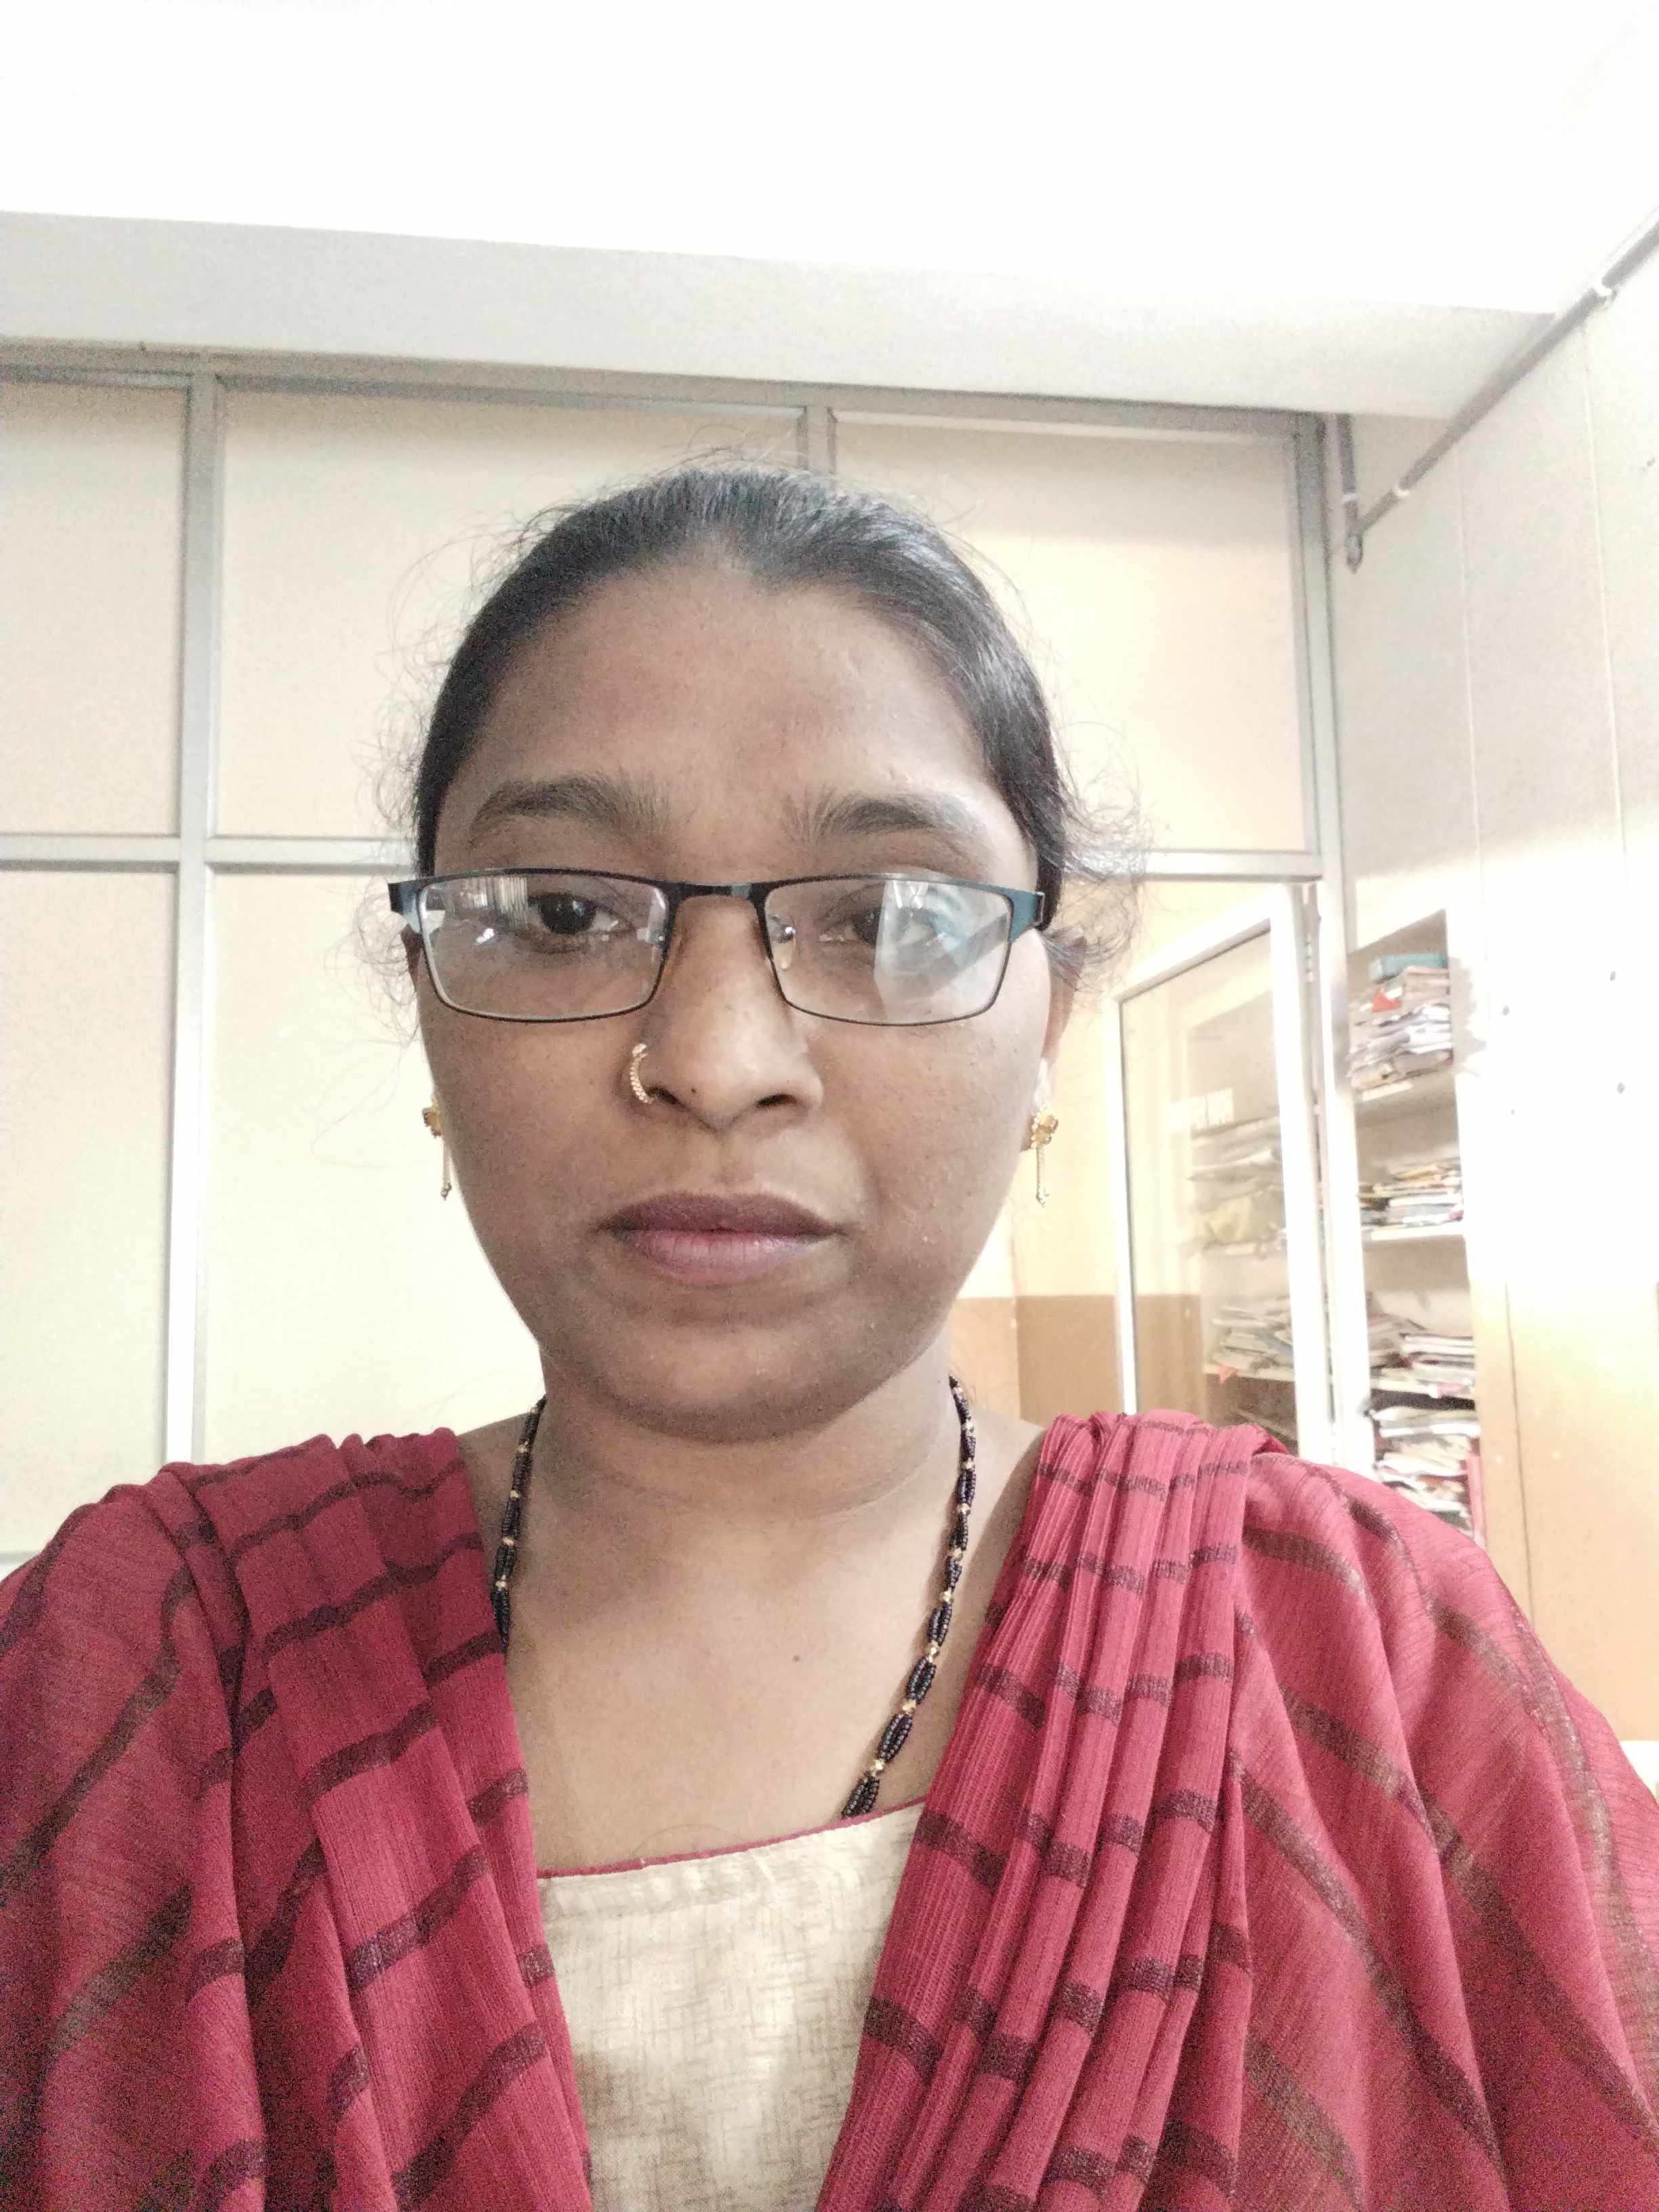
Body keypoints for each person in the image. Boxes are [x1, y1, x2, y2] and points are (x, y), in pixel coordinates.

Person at [2, 462, 1656, 2212]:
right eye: (563, 913)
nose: (717, 1063)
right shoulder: (128, 1694)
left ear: (1047, 1023)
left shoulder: (1370, 1662)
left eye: (886, 918)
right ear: (430, 1003)